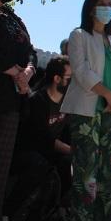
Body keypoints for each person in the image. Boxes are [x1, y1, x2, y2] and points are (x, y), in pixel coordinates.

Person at [60, 0, 111, 221]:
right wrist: (107, 94)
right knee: (85, 173)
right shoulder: (79, 36)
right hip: (86, 112)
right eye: (102, 4)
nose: (107, 8)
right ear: (91, 9)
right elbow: (81, 70)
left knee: (110, 174)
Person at [0, 0, 37, 221]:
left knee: (2, 166)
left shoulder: (13, 18)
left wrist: (28, 71)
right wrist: (14, 72)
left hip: (11, 102)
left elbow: (31, 51)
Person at [26, 56, 72, 200]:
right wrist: (74, 151)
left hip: (53, 151)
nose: (72, 82)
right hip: (35, 151)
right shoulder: (37, 101)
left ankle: (60, 210)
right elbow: (44, 138)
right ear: (57, 79)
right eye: (69, 78)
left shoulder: (66, 103)